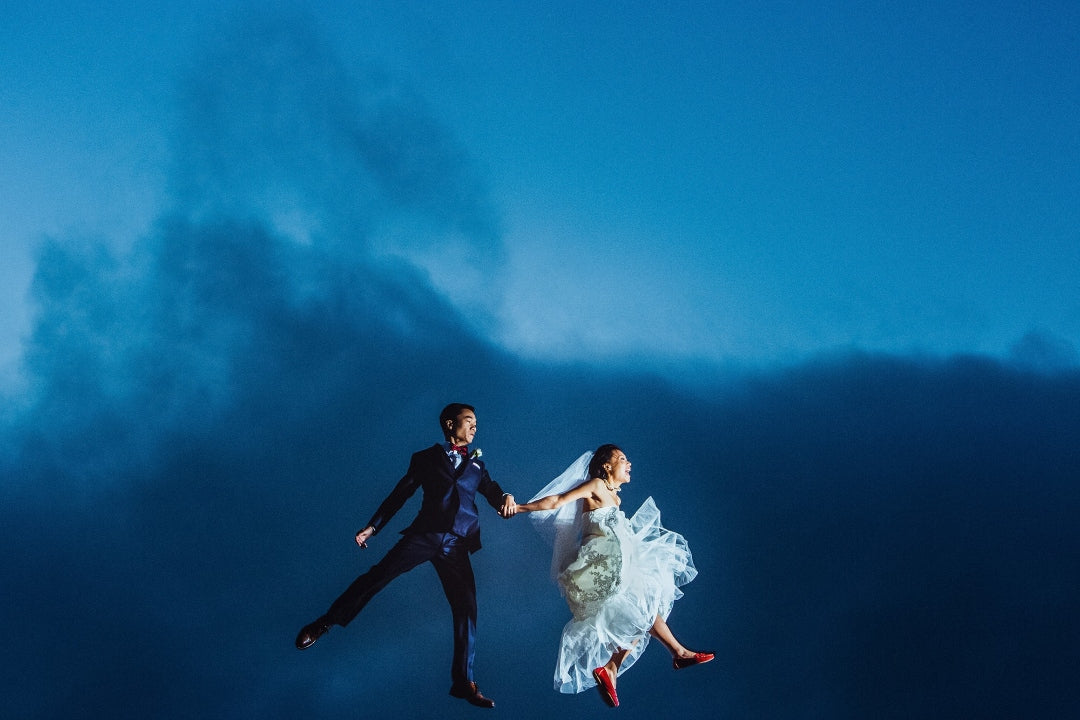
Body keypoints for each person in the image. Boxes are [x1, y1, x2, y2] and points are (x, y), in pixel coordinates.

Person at [295, 403, 517, 709]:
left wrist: (505, 497)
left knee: (466, 607)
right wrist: (373, 527)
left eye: (477, 423)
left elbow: (492, 490)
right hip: (424, 534)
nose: (475, 427)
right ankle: (325, 622)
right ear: (450, 424)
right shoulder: (425, 458)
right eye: (469, 421)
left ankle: (463, 681)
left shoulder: (477, 464)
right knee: (377, 576)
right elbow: (400, 494)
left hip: (457, 541)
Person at [513, 444, 712, 708]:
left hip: (622, 561)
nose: (628, 464)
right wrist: (519, 508)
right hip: (602, 564)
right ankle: (676, 653)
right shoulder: (595, 485)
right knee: (643, 606)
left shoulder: (616, 499)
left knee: (642, 609)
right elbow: (558, 501)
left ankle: (618, 667)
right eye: (622, 459)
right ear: (606, 465)